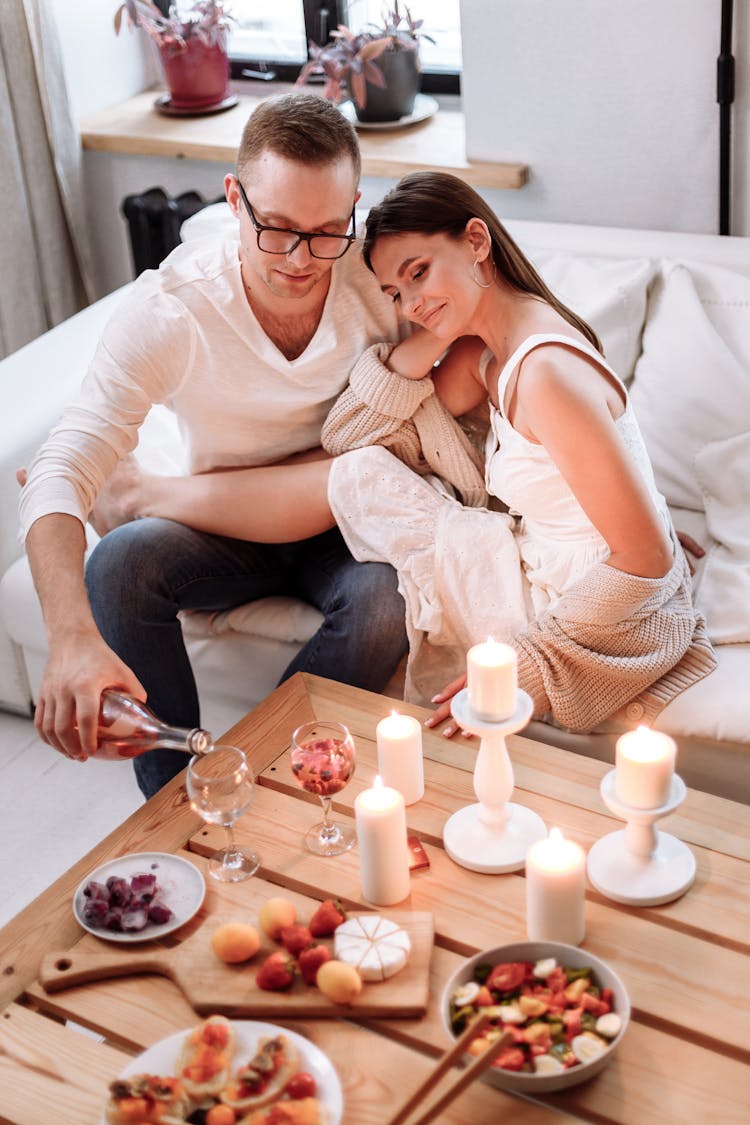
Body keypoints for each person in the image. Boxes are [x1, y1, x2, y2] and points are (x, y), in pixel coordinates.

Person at [18, 93, 410, 798]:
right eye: (278, 228)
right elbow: (59, 467)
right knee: (118, 564)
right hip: (223, 526)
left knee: (388, 601)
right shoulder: (172, 309)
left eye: (327, 230)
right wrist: (71, 639)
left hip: (344, 529)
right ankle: (173, 803)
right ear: (235, 199)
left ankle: (252, 788)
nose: (301, 260)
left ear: (355, 206)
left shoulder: (381, 279)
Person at [319, 171, 717, 735]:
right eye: (396, 294)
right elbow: (357, 432)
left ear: (477, 241)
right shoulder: (489, 349)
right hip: (550, 559)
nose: (410, 306)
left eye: (419, 272)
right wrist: (441, 317)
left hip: (584, 598)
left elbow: (646, 557)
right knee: (359, 469)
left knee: (359, 476)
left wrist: (527, 663)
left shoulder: (543, 372)